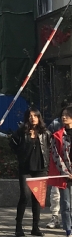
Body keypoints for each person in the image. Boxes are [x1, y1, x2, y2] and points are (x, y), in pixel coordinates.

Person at [10, 107, 50, 237]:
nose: (33, 118)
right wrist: (20, 155)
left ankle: (35, 227)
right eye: (30, 116)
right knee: (25, 196)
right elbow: (13, 144)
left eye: (35, 116)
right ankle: (18, 226)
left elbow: (49, 148)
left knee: (37, 199)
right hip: (26, 169)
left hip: (40, 169)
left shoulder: (45, 133)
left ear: (39, 118)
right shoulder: (21, 132)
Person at [47, 98, 70, 229]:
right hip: (59, 168)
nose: (64, 116)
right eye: (63, 113)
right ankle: (55, 217)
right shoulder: (55, 124)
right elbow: (51, 145)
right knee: (56, 193)